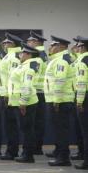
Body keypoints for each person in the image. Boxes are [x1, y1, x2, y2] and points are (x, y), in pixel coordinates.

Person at [44, 36, 74, 166]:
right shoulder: (57, 59)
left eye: (53, 45)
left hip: (60, 101)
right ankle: (59, 152)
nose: (50, 47)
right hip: (58, 100)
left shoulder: (61, 61)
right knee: (58, 129)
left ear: (61, 46)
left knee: (61, 130)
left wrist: (56, 100)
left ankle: (63, 158)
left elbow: (60, 81)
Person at [13, 43, 40, 163]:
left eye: (22, 52)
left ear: (28, 54)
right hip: (24, 101)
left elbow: (27, 85)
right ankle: (26, 153)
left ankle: (28, 155)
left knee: (27, 130)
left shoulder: (28, 67)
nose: (20, 54)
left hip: (27, 102)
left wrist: (23, 102)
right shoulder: (23, 65)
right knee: (25, 129)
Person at [0, 32, 22, 160]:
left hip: (11, 97)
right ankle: (11, 150)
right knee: (9, 126)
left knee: (12, 126)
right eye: (4, 42)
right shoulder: (8, 56)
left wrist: (7, 95)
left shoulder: (13, 57)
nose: (4, 44)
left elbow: (13, 78)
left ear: (14, 44)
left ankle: (12, 151)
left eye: (7, 42)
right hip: (6, 95)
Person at [25, 31, 48, 155]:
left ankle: (36, 147)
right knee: (38, 121)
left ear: (36, 42)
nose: (28, 44)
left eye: (30, 41)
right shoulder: (42, 54)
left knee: (35, 122)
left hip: (36, 92)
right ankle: (37, 146)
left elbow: (32, 75)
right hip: (41, 92)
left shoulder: (37, 55)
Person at [74, 36, 88, 169]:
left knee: (85, 132)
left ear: (83, 47)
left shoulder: (83, 61)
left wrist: (79, 101)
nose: (76, 48)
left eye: (78, 46)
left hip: (85, 98)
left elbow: (82, 82)